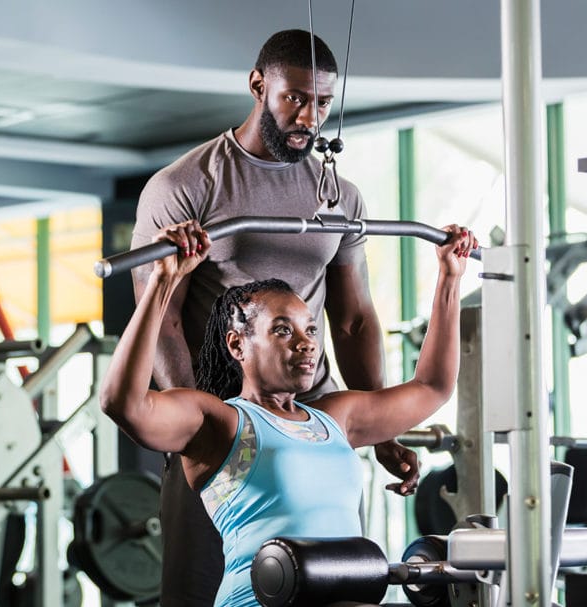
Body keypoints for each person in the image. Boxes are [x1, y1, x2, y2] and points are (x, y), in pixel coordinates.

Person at [130, 29, 419, 605]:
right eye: (296, 98)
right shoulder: (186, 186)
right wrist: (204, 430)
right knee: (207, 589)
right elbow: (160, 317)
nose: (309, 117)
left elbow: (355, 318)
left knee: (328, 584)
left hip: (315, 424)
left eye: (323, 103)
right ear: (259, 86)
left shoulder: (339, 194)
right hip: (227, 431)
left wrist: (385, 428)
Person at [104, 221, 477, 607]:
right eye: (283, 331)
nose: (306, 344)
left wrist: (450, 276)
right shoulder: (221, 425)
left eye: (311, 330)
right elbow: (123, 403)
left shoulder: (335, 419)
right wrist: (162, 283)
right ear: (237, 344)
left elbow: (432, 387)